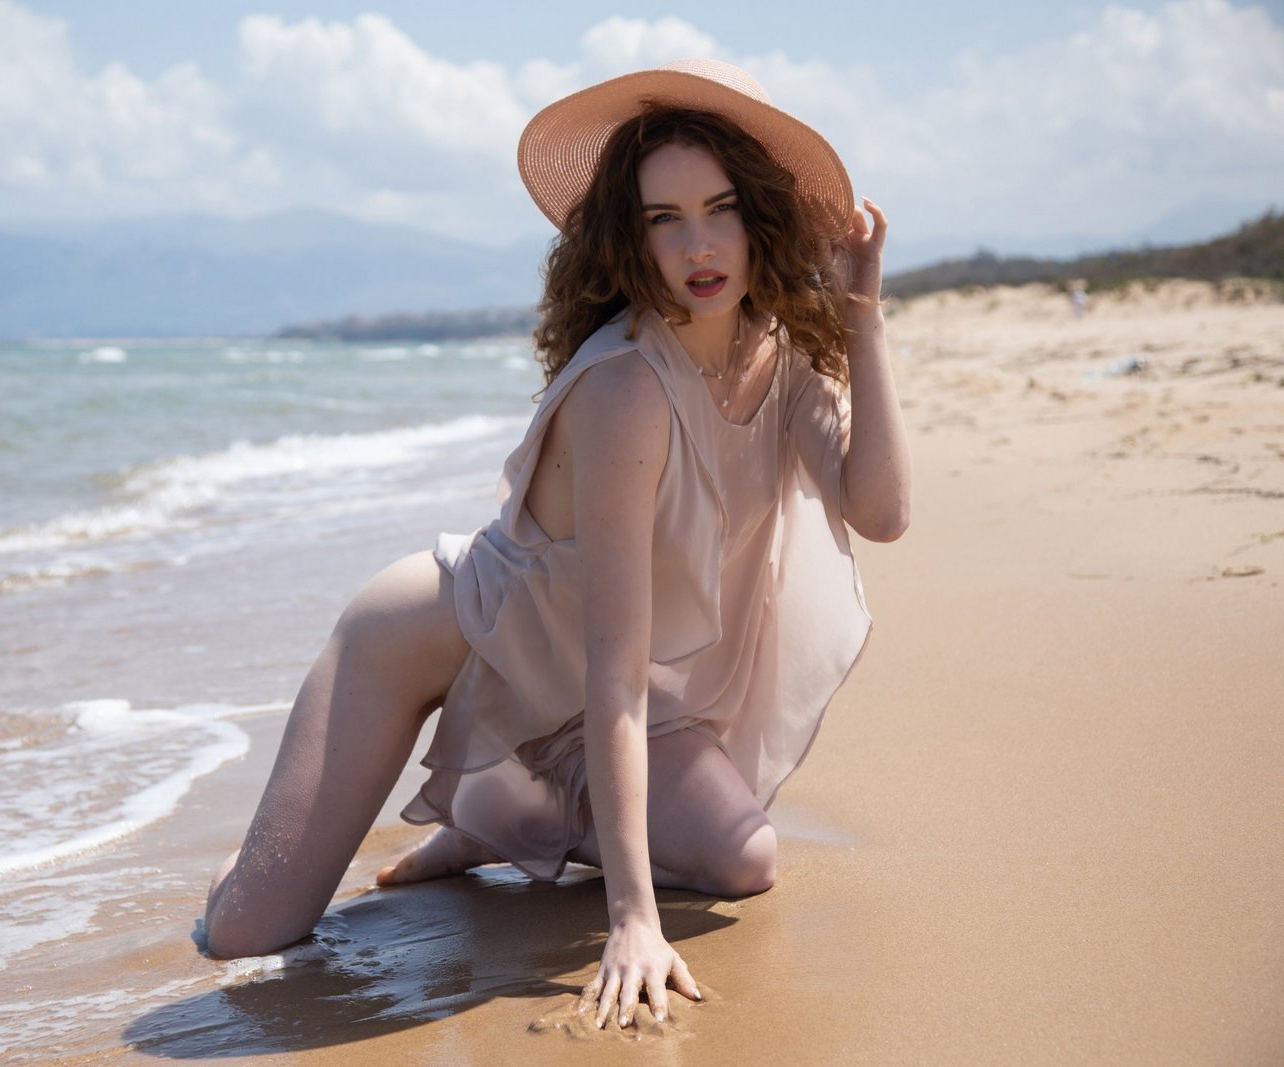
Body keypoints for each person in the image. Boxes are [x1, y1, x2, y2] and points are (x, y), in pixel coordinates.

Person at [203, 58, 911, 1032]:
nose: (699, 245)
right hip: (449, 637)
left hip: (582, 696)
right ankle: (270, 860)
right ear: (630, 236)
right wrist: (632, 921)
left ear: (762, 217)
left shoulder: (782, 362)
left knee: (746, 858)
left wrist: (861, 314)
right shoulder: (626, 387)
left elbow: (881, 511)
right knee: (249, 931)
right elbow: (614, 669)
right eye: (664, 219)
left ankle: (492, 820)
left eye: (720, 209)